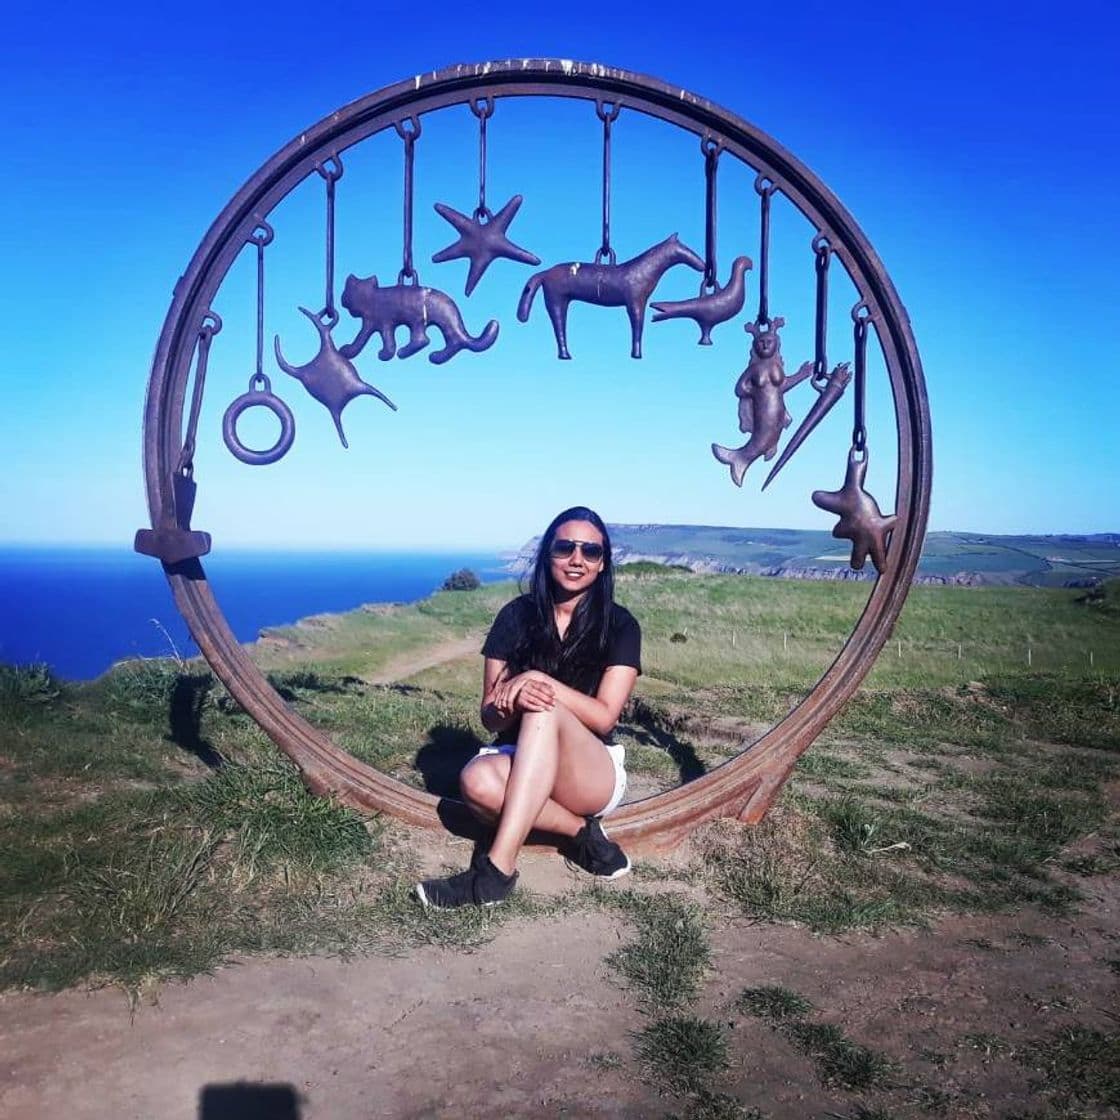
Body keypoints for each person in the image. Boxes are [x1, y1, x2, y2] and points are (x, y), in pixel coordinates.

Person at [416, 506, 641, 909]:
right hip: (526, 756)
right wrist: (510, 700)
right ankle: (580, 834)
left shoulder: (620, 625)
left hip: (589, 770)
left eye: (590, 551)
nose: (577, 559)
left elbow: (606, 715)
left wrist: (536, 682)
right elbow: (490, 717)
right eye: (565, 547)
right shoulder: (515, 617)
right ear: (546, 554)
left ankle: (495, 873)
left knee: (544, 703)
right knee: (476, 783)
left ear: (603, 563)